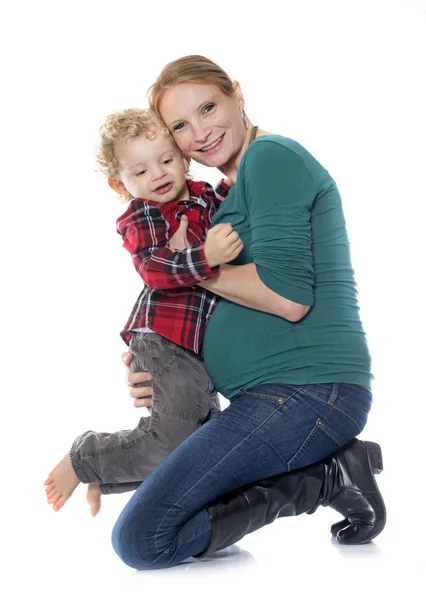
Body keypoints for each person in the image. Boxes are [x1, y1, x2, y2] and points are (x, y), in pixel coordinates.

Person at [110, 55, 386, 570]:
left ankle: (327, 477)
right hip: (271, 398)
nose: (201, 132)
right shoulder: (225, 198)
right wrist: (163, 368)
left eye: (209, 106)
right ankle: (332, 471)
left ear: (237, 94)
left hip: (309, 392)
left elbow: (288, 297)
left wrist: (182, 266)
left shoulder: (270, 157)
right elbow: (219, 306)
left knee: (145, 538)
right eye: (181, 125)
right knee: (161, 520)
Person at [44, 108, 241, 516]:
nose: (158, 175)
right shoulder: (144, 213)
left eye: (166, 161)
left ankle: (104, 477)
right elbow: (153, 267)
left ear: (184, 160)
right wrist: (205, 256)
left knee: (196, 446)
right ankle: (86, 457)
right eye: (141, 171)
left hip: (202, 348)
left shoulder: (208, 197)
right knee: (173, 436)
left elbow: (243, 191)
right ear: (122, 183)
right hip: (164, 337)